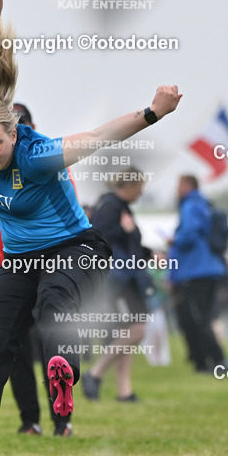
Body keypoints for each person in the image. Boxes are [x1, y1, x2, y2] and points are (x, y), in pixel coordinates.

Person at [0, 0, 181, 456]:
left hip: (75, 249)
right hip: (21, 258)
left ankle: (63, 375)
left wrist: (151, 113)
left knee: (54, 314)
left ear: (14, 134)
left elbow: (98, 137)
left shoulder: (38, 153)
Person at [0, 103, 52, 436]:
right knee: (13, 351)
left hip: (47, 273)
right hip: (8, 275)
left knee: (52, 344)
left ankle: (63, 421)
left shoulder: (50, 167)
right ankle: (30, 420)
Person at [83, 167, 154, 402]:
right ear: (130, 185)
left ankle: (125, 391)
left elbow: (130, 245)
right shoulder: (109, 206)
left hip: (128, 277)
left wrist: (150, 253)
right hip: (117, 279)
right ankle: (94, 373)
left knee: (128, 331)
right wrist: (124, 231)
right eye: (141, 187)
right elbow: (99, 237)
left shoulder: (120, 207)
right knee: (137, 330)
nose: (142, 193)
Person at [169, 175, 228, 373]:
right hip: (210, 269)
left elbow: (188, 235)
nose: (176, 190)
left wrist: (174, 241)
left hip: (195, 271)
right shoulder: (205, 205)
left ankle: (219, 360)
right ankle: (202, 361)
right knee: (201, 317)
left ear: (187, 186)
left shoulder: (190, 206)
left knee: (197, 318)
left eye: (178, 185)